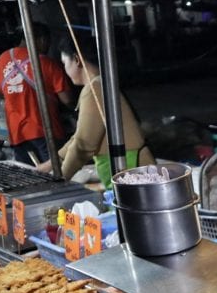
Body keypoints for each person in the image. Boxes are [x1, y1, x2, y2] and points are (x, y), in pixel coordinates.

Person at [37, 35, 154, 187]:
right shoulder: (100, 83)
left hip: (131, 169)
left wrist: (60, 180)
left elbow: (84, 144)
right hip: (129, 166)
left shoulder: (95, 89)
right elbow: (80, 136)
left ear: (77, 60)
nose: (65, 70)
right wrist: (51, 163)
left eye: (65, 63)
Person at [0, 22, 74, 164]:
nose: (48, 47)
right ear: (42, 39)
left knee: (30, 178)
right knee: (57, 176)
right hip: (45, 131)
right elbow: (66, 99)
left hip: (16, 133)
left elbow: (0, 93)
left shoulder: (2, 60)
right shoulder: (47, 63)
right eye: (48, 42)